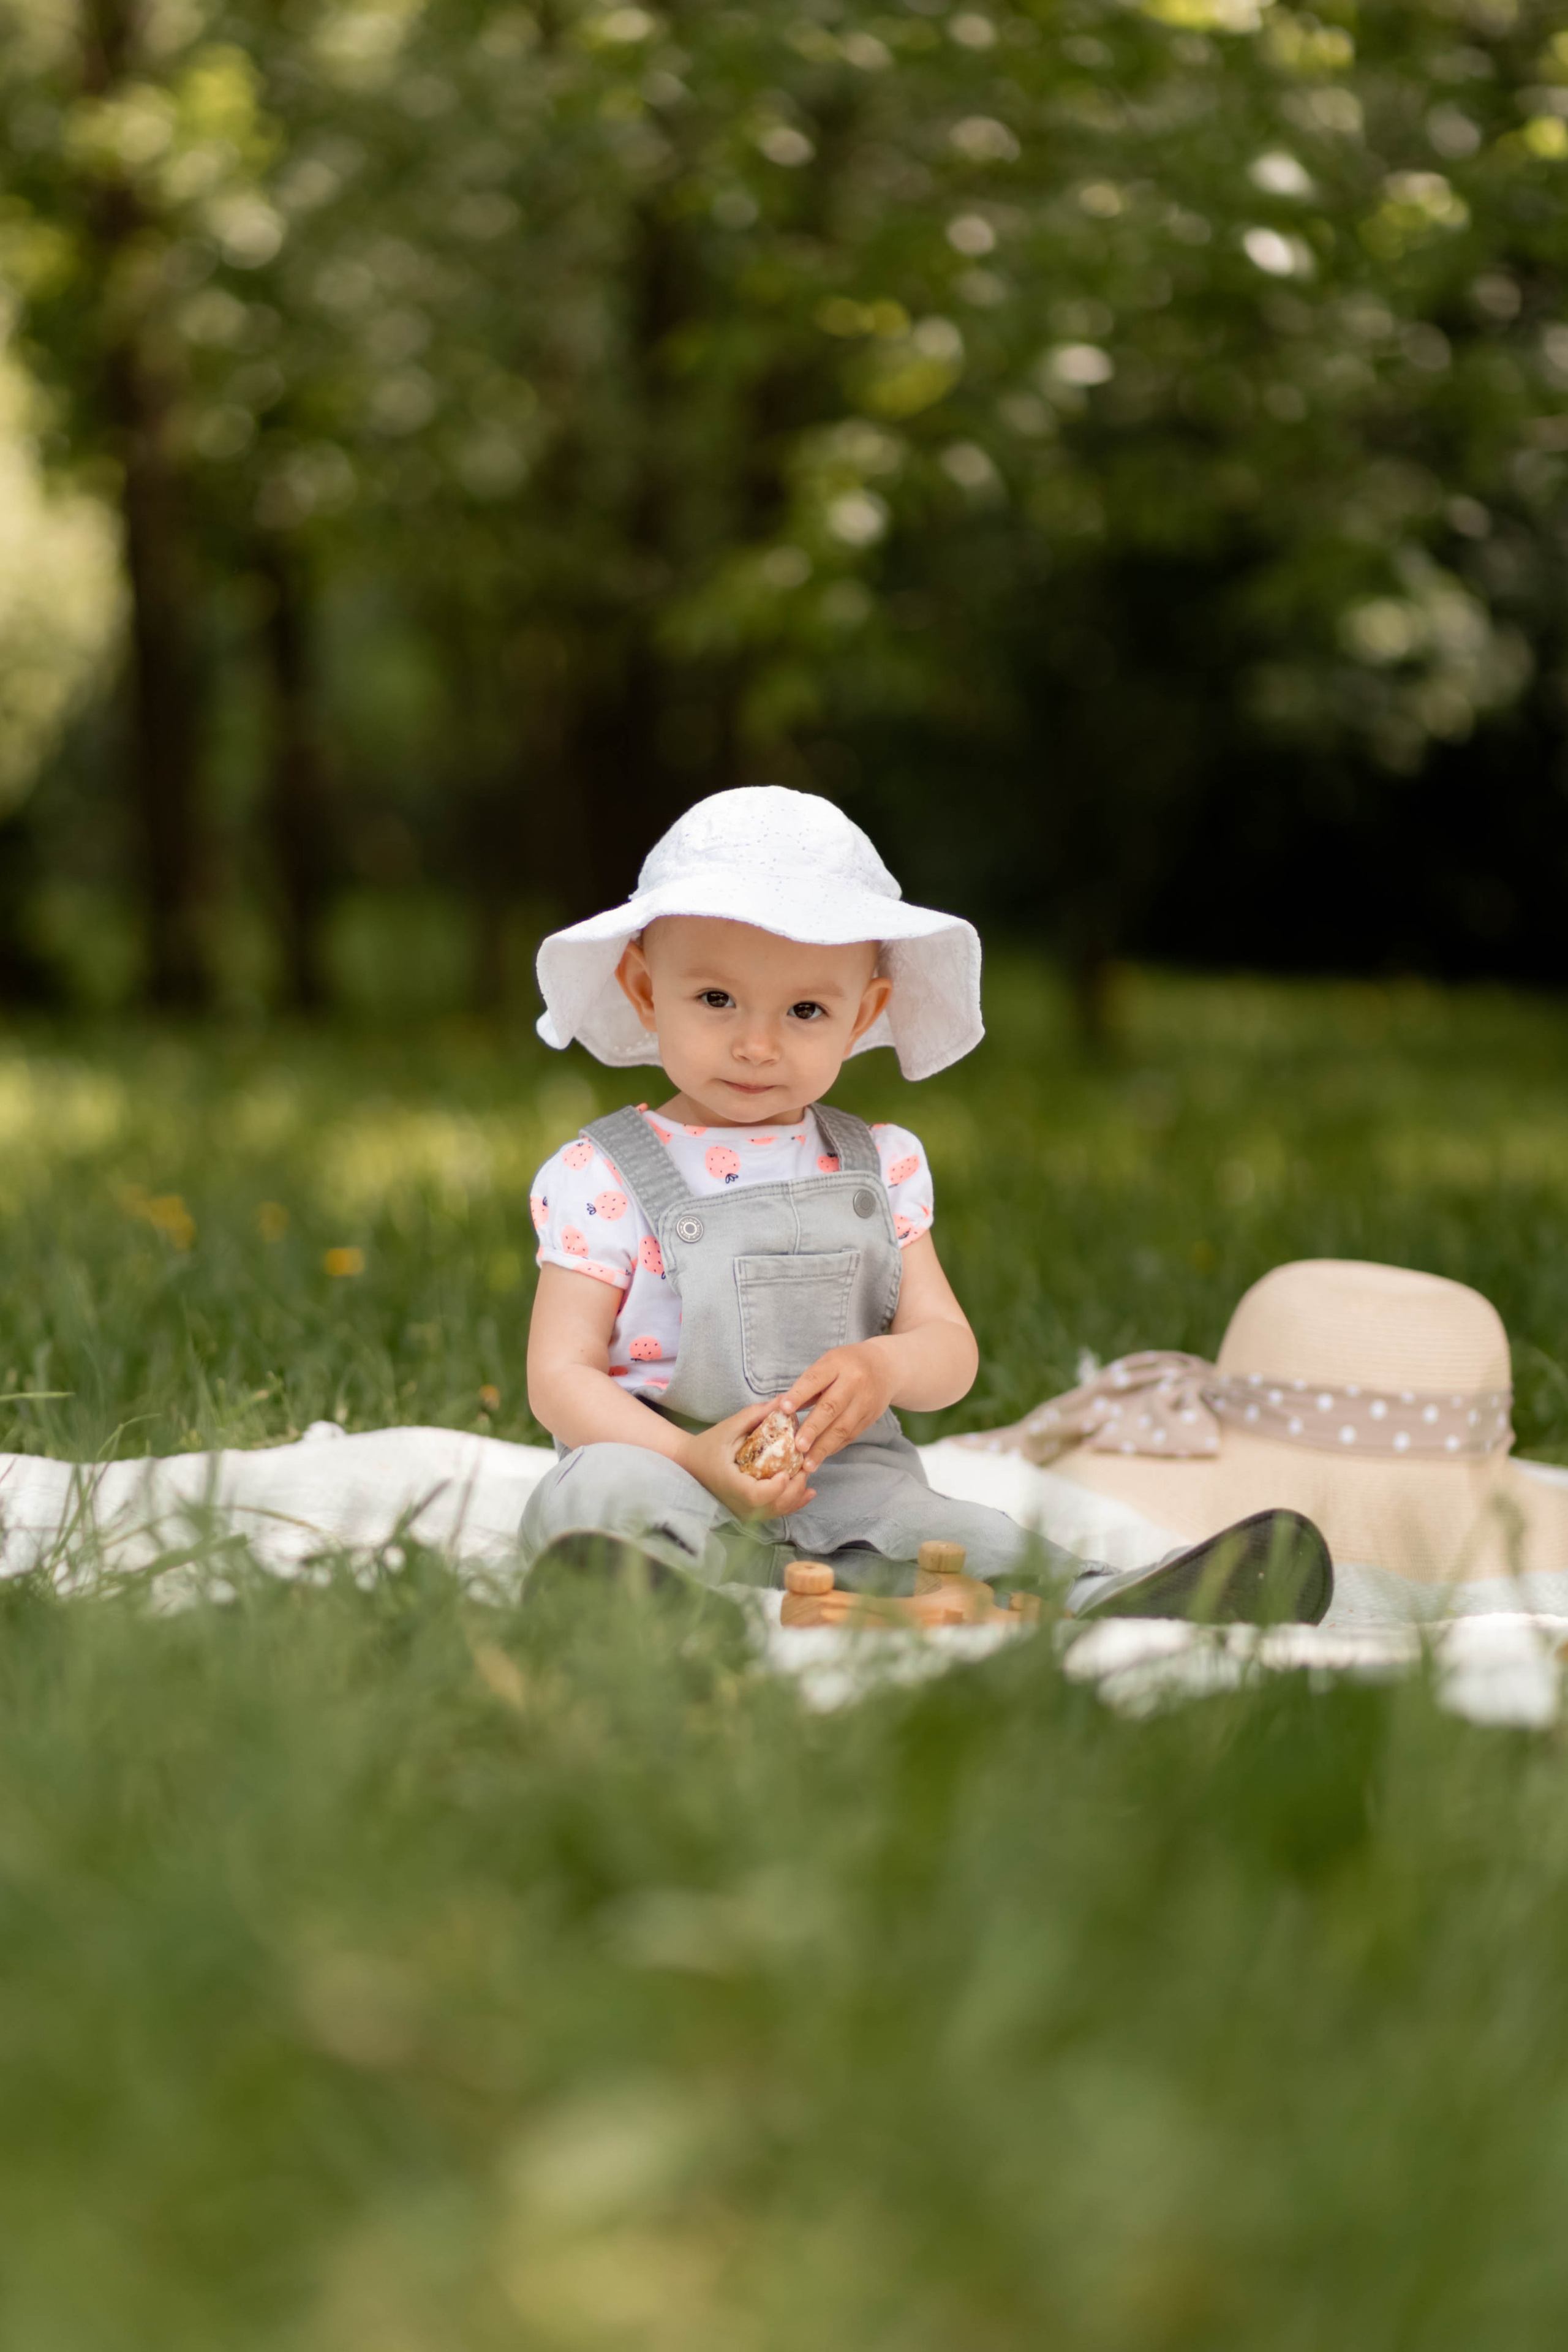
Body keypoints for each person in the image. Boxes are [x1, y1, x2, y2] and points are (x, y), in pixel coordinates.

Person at [521, 786, 1332, 1623]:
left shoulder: (878, 1166)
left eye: (805, 1010)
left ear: (864, 1012)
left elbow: (950, 1353)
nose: (756, 1044)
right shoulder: (604, 1173)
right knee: (601, 1490)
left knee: (955, 1530)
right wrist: (689, 1453)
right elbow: (559, 1375)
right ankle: (652, 1601)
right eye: (716, 1000)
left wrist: (886, 1367)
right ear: (645, 991)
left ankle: (1117, 1596)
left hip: (845, 1483)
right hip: (669, 1465)